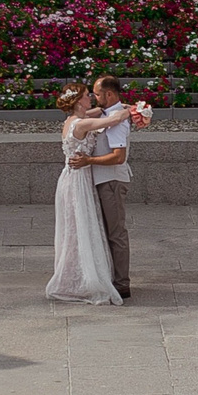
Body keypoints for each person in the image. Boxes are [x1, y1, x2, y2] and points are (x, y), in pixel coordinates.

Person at [46, 83, 126, 306]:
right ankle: (82, 279)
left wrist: (119, 105)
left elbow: (100, 112)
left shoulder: (74, 120)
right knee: (80, 226)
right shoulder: (81, 123)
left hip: (73, 177)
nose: (90, 98)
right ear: (78, 101)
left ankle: (77, 274)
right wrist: (135, 111)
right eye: (86, 96)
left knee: (78, 227)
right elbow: (111, 120)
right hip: (78, 180)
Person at [83, 74, 150, 300]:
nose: (94, 97)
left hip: (111, 180)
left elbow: (118, 157)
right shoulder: (109, 113)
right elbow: (80, 115)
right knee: (107, 231)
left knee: (116, 232)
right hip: (103, 179)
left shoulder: (117, 121)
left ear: (109, 94)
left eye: (97, 94)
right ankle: (111, 276)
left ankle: (122, 283)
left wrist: (88, 161)